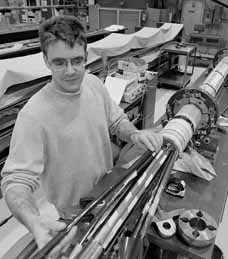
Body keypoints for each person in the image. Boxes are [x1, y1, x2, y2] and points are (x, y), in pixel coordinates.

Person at [1, 15, 163, 257]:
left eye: (77, 60)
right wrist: (34, 220)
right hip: (75, 214)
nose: (70, 72)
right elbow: (15, 181)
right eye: (59, 62)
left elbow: (117, 120)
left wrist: (135, 134)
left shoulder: (93, 84)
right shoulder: (33, 115)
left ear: (87, 56)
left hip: (111, 189)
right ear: (45, 60)